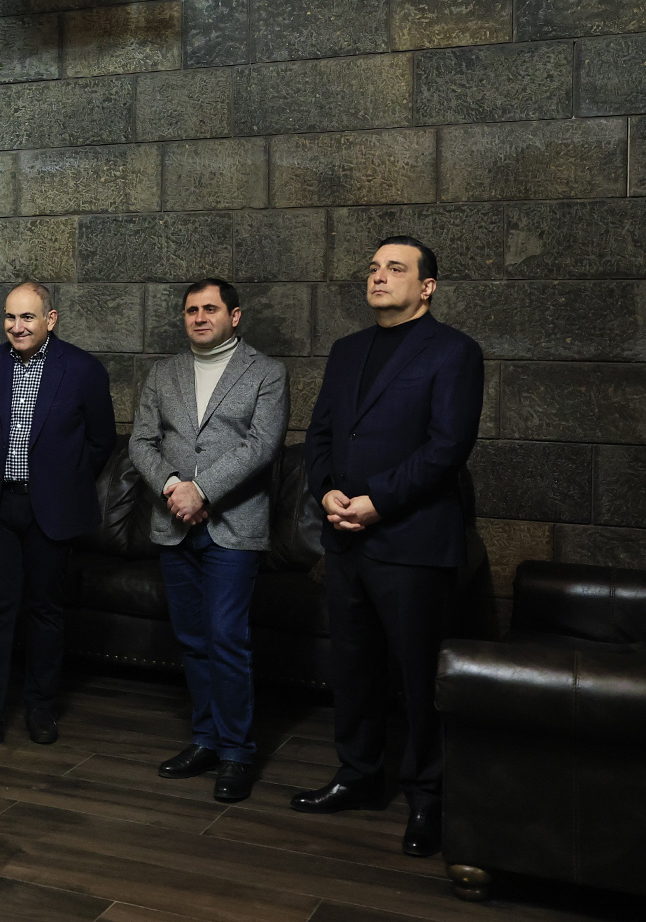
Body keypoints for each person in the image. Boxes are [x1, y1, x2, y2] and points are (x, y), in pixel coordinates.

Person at [291, 236, 484, 858]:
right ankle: (358, 775)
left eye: (395, 268)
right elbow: (321, 434)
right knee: (353, 668)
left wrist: (376, 501)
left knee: (419, 677)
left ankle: (428, 797)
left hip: (412, 540)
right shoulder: (347, 350)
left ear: (427, 286)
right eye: (373, 267)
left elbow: (447, 446)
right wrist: (326, 491)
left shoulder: (454, 351)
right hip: (345, 538)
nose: (378, 276)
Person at [129, 279, 288, 803]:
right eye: (191, 310)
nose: (199, 317)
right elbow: (141, 442)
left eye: (210, 309)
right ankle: (206, 739)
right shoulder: (163, 373)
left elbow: (261, 445)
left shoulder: (267, 372)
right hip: (173, 524)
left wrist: (202, 491)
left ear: (234, 316)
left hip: (234, 526)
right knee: (193, 639)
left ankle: (237, 752)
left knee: (226, 638)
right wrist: (173, 487)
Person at [0, 281, 117, 754]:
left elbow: (101, 440)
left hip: (52, 509)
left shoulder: (81, 369)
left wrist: (64, 481)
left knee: (45, 610)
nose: (16, 327)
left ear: (50, 320)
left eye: (27, 317)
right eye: (9, 317)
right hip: (0, 506)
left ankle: (40, 708)